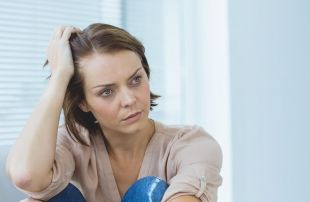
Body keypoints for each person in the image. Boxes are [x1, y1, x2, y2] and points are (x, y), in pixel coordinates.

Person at [6, 23, 223, 202]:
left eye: (136, 79)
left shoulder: (192, 145)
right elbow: (26, 176)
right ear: (83, 102)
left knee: (150, 190)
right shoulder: (73, 143)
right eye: (107, 91)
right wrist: (59, 78)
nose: (129, 100)